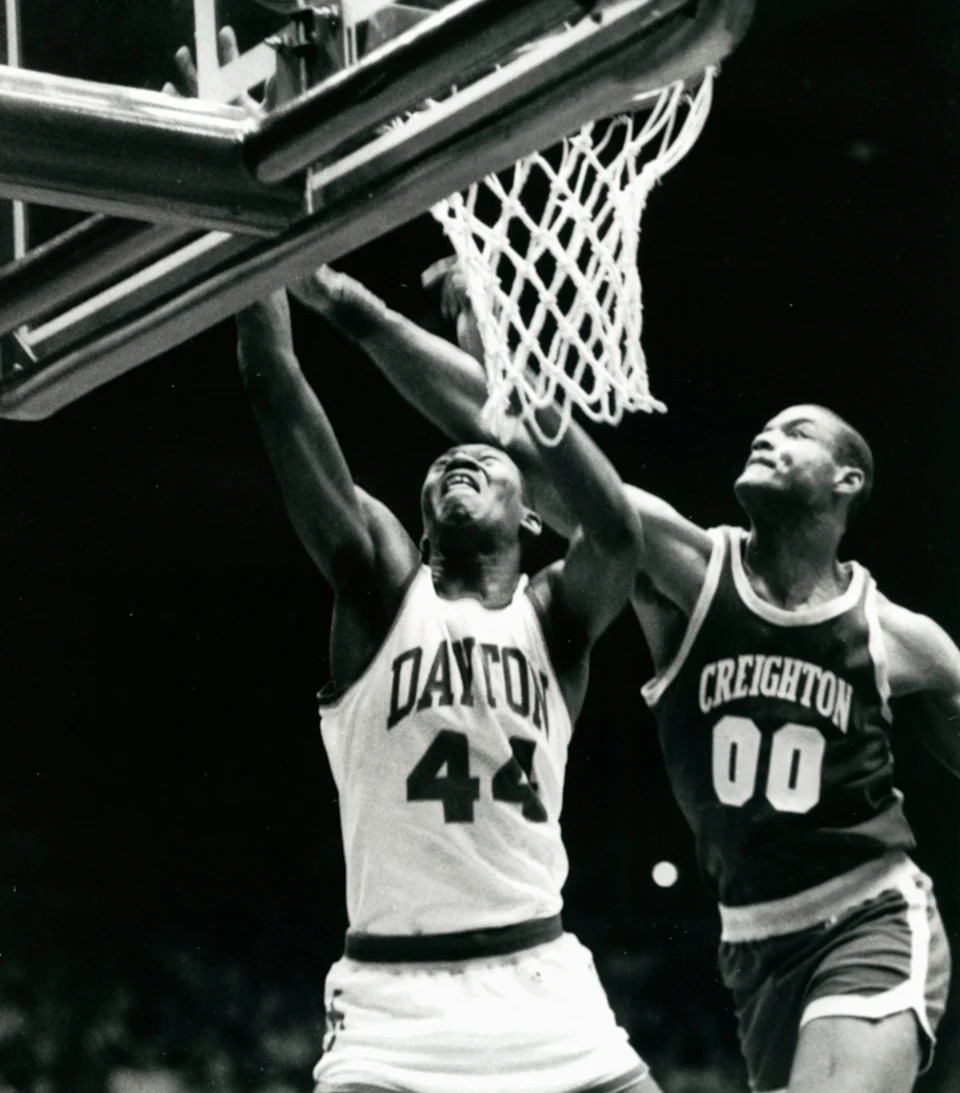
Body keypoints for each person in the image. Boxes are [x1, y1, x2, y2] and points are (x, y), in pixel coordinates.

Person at [295, 264, 960, 1093]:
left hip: (870, 912)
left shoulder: (903, 639)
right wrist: (449, 338)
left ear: (847, 480)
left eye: (795, 431)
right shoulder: (687, 570)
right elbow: (532, 458)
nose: (769, 436)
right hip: (753, 941)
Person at [234, 284, 662, 1093]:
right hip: (398, 1005)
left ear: (533, 518)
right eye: (442, 466)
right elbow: (272, 380)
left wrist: (520, 382)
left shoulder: (556, 619)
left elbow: (616, 531)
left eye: (487, 460)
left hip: (543, 985)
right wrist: (260, 263)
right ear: (422, 526)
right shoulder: (380, 590)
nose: (459, 459)